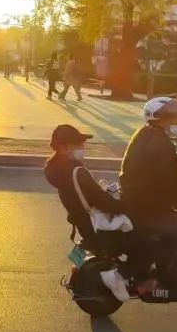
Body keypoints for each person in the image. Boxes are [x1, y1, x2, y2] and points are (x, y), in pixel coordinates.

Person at [119, 97, 177, 295]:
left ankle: (164, 271)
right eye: (173, 117)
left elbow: (169, 175)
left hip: (139, 203)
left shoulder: (145, 134)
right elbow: (170, 181)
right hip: (149, 210)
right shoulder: (159, 143)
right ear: (161, 117)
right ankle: (174, 278)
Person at [44, 124, 130, 301]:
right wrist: (127, 205)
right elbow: (103, 202)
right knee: (145, 239)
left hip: (85, 225)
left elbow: (90, 197)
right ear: (62, 148)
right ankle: (121, 276)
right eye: (77, 144)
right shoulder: (77, 172)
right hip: (97, 229)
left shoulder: (56, 171)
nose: (82, 147)